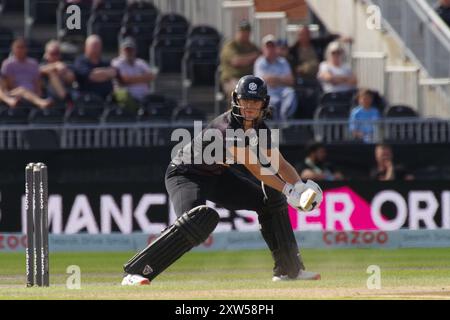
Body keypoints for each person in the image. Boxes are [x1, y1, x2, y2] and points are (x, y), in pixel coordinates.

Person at [121, 75, 323, 286]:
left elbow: (280, 164)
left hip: (217, 175)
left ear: (264, 103)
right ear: (236, 99)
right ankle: (135, 273)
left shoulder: (260, 128)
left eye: (255, 101)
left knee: (269, 203)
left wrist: (301, 187)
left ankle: (289, 270)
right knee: (194, 223)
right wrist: (290, 193)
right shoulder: (227, 128)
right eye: (245, 100)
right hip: (185, 174)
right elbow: (257, 170)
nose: (249, 107)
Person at [0, 38, 53, 109]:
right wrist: (24, 92)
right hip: (15, 92)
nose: (20, 50)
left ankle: (38, 101)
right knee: (22, 90)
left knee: (24, 90)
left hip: (32, 93)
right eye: (18, 47)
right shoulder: (8, 64)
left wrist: (37, 94)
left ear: (26, 49)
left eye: (22, 47)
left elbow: (37, 82)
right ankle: (41, 103)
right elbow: (10, 85)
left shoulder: (33, 63)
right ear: (13, 48)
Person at [254, 34, 297, 121]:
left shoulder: (283, 61)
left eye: (272, 46)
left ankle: (284, 118)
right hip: (267, 93)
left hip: (282, 92)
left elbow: (290, 81)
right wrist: (281, 79)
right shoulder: (259, 62)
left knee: (290, 93)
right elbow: (261, 81)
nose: (270, 49)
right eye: (268, 47)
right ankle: (276, 125)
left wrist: (273, 79)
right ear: (263, 49)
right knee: (272, 102)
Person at [111, 37, 155, 111]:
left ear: (135, 51)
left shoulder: (140, 63)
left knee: (165, 102)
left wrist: (131, 80)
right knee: (123, 95)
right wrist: (143, 78)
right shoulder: (116, 63)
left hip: (144, 97)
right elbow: (123, 79)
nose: (129, 52)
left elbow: (151, 76)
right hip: (127, 99)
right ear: (121, 50)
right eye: (126, 50)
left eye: (131, 50)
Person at [219, 20, 260, 99]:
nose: (245, 34)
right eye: (242, 31)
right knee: (238, 91)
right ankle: (233, 111)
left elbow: (261, 57)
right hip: (231, 79)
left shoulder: (252, 47)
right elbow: (237, 61)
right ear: (237, 32)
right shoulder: (230, 46)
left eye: (247, 32)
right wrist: (253, 57)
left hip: (250, 79)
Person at [72, 35, 117, 100]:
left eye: (98, 46)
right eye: (93, 46)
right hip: (88, 98)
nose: (96, 48)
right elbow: (91, 76)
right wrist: (106, 74)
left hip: (107, 98)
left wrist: (96, 73)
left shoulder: (105, 62)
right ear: (86, 47)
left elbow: (113, 73)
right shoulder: (80, 61)